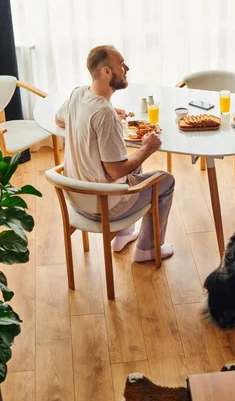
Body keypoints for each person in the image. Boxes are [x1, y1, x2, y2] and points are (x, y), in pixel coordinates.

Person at [55, 45, 175, 262]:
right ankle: (147, 250)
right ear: (106, 72)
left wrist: (95, 126)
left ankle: (124, 235)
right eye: (121, 64)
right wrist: (147, 147)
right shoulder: (104, 113)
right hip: (101, 205)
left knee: (134, 165)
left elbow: (59, 119)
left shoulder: (78, 94)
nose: (126, 68)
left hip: (76, 196)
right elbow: (115, 171)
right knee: (166, 181)